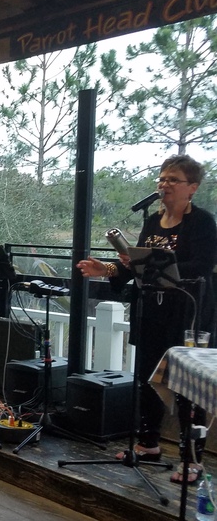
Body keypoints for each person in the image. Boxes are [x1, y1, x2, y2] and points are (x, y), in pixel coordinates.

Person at [78, 154, 216, 483]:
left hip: (186, 312)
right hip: (151, 309)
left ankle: (192, 459)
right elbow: (139, 266)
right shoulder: (152, 221)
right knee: (146, 379)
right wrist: (109, 268)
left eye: (173, 179)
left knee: (188, 388)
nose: (164, 184)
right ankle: (148, 443)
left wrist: (158, 259)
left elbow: (202, 264)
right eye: (162, 178)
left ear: (192, 187)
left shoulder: (203, 222)